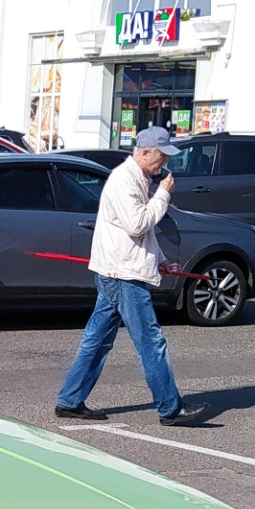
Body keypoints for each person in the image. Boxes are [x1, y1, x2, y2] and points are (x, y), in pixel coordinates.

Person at [55, 125, 208, 426]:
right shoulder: (124, 181)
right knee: (150, 342)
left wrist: (161, 261)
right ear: (143, 152)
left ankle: (70, 400)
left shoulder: (136, 179)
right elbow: (138, 224)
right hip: (123, 275)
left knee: (96, 340)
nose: (164, 163)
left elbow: (141, 233)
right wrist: (163, 195)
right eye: (161, 156)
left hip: (118, 270)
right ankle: (170, 408)